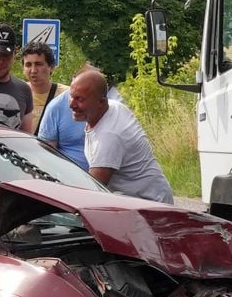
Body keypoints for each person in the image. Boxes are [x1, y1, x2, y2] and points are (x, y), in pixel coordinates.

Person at [69, 69, 174, 204]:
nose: (71, 104)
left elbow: (92, 190)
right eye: (71, 96)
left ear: (100, 102)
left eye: (79, 99)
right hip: (140, 200)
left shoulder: (109, 136)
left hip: (151, 205)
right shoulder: (111, 107)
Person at [21, 42, 68, 133]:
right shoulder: (17, 93)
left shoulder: (66, 95)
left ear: (51, 67)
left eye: (38, 64)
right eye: (28, 65)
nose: (33, 70)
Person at [38, 89, 88, 169]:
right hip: (70, 174)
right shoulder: (56, 106)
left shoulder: (111, 102)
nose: (72, 105)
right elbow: (46, 151)